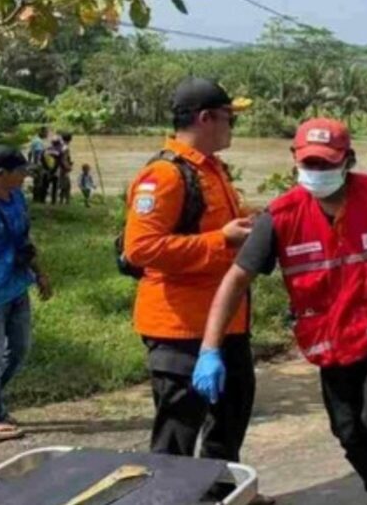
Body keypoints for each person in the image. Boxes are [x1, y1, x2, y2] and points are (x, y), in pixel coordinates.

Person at [194, 118, 367, 505]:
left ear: (348, 160)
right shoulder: (280, 217)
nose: (317, 172)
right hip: (331, 345)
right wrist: (210, 349)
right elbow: (236, 279)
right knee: (348, 432)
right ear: (295, 160)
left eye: (326, 164)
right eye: (309, 164)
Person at [120, 77, 271, 504]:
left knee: (231, 416)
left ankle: (221, 495)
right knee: (178, 433)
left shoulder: (212, 168)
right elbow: (140, 248)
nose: (231, 128)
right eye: (228, 118)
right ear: (206, 118)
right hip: (180, 327)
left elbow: (223, 227)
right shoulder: (164, 175)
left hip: (226, 321)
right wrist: (221, 240)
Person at [0, 146, 53, 442]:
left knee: (19, 350)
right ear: (0, 174)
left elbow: (23, 239)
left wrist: (39, 272)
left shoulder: (18, 199)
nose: (25, 177)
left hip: (17, 286)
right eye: (20, 172)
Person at [27, 126, 49, 204]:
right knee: (40, 183)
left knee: (36, 182)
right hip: (38, 165)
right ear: (42, 132)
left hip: (33, 164)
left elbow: (29, 153)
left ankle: (35, 199)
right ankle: (38, 200)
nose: (47, 134)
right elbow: (38, 155)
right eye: (46, 132)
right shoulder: (39, 142)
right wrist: (40, 165)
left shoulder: (34, 140)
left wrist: (29, 163)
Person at [42, 138, 64, 205]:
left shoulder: (46, 150)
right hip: (55, 171)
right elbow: (59, 162)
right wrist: (53, 171)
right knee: (55, 186)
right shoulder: (60, 151)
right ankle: (53, 201)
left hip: (46, 170)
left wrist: (46, 168)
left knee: (45, 186)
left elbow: (42, 159)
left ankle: (43, 200)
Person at [57, 133, 74, 205]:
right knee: (67, 186)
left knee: (62, 185)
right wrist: (68, 167)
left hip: (59, 168)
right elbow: (63, 159)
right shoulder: (66, 148)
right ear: (70, 139)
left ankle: (61, 201)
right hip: (63, 169)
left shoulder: (60, 146)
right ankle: (67, 202)